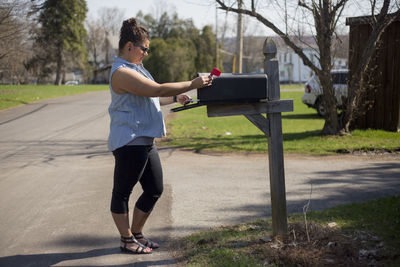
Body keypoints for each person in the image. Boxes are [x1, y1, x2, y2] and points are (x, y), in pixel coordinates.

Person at [107, 17, 213, 254]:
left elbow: (153, 97)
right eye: (144, 48)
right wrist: (192, 84)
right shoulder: (121, 72)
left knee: (155, 189)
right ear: (129, 46)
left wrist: (176, 98)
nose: (146, 53)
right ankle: (125, 240)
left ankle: (136, 233)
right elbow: (156, 89)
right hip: (129, 140)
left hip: (145, 139)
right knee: (122, 192)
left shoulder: (138, 69)